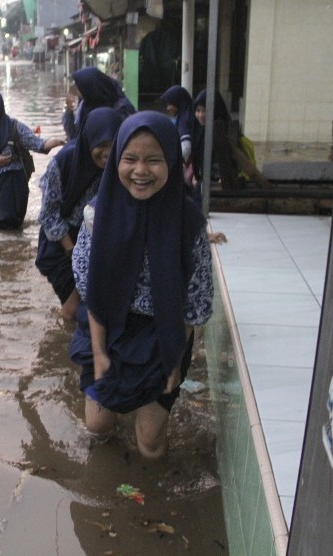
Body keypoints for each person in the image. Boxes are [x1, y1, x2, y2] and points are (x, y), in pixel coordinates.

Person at [69, 111, 213, 460]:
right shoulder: (97, 215)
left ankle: (150, 503)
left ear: (172, 162)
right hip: (106, 328)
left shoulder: (189, 223)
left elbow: (195, 302)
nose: (140, 170)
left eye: (154, 160)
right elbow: (90, 288)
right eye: (130, 159)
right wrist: (101, 353)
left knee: (150, 442)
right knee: (99, 428)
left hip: (162, 335)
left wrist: (175, 360)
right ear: (117, 159)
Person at [36, 107, 123, 322]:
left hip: (98, 240)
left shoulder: (122, 163)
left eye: (113, 145)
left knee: (89, 306)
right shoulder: (64, 162)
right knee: (73, 309)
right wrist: (73, 250)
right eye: (101, 145)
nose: (107, 152)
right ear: (89, 140)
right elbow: (48, 213)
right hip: (61, 242)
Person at [0, 88, 64, 229]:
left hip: (12, 185)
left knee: (11, 227)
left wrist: (57, 141)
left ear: (0, 106)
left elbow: (38, 144)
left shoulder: (14, 127)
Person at [193, 89, 273, 190]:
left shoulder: (225, 133)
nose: (200, 115)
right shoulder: (200, 132)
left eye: (204, 111)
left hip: (222, 188)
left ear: (215, 109)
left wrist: (224, 178)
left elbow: (239, 162)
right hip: (204, 185)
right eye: (198, 110)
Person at [63, 67, 135, 140]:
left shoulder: (122, 109)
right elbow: (74, 137)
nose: (78, 93)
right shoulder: (85, 106)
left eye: (80, 89)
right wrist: (68, 110)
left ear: (90, 89)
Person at [161, 85, 195, 170]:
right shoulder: (185, 116)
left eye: (170, 105)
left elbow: (186, 149)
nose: (167, 108)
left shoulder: (184, 121)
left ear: (178, 102)